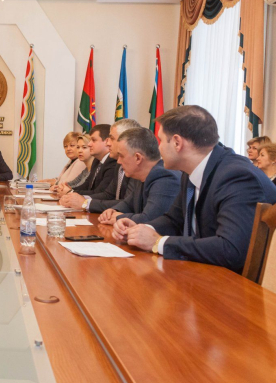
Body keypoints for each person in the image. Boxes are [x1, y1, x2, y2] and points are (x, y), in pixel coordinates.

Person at [113, 105, 276, 273]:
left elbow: (230, 249)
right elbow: (174, 220)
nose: (158, 149)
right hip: (203, 272)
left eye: (161, 141)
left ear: (177, 143)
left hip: (234, 281)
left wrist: (158, 242)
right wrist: (143, 229)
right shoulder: (191, 170)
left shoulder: (237, 176)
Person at [98, 127, 180, 225]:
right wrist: (113, 211)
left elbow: (149, 219)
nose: (118, 161)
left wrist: (118, 217)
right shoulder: (142, 176)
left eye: (121, 156)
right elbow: (128, 204)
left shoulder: (165, 178)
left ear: (138, 158)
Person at [60, 119, 141, 211]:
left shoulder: (133, 166)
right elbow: (108, 194)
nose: (108, 143)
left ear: (127, 140)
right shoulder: (118, 164)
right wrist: (75, 197)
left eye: (112, 139)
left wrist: (85, 203)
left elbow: (128, 204)